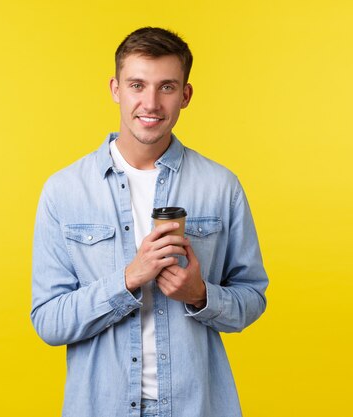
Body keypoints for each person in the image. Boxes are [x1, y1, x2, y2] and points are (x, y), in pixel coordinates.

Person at [31, 27, 269, 417]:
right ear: (115, 89)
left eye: (167, 87)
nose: (151, 103)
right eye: (137, 84)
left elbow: (252, 297)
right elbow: (49, 322)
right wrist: (127, 280)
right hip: (100, 407)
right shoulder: (64, 191)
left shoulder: (220, 186)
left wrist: (200, 295)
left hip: (197, 406)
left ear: (186, 95)